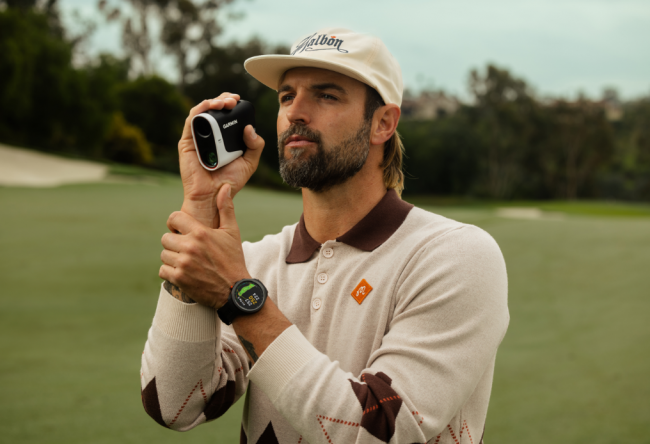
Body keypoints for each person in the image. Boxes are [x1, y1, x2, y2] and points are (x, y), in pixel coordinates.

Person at [141, 28, 509, 444]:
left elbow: (381, 431)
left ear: (383, 123)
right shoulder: (254, 263)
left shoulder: (457, 255)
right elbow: (175, 404)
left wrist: (241, 299)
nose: (295, 112)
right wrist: (202, 204)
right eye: (286, 96)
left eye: (327, 95)